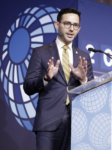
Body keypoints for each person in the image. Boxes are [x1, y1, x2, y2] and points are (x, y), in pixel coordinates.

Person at [23, 8, 94, 150]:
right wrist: (46, 78)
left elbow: (92, 94)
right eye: (67, 24)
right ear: (57, 25)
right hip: (48, 122)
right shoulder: (41, 52)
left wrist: (84, 80)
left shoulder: (83, 56)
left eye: (75, 25)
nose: (71, 29)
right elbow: (28, 87)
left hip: (78, 124)